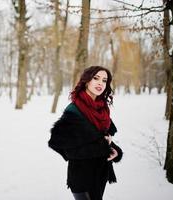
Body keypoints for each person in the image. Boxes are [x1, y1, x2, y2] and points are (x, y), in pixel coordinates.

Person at [48, 66, 123, 200]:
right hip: (82, 176)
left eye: (104, 80)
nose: (101, 83)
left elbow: (102, 137)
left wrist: (115, 150)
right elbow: (59, 144)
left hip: (101, 173)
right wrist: (101, 149)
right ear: (87, 81)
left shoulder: (102, 109)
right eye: (96, 78)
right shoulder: (74, 110)